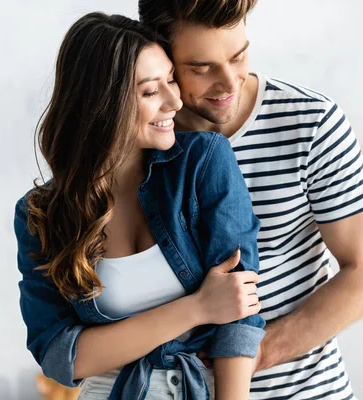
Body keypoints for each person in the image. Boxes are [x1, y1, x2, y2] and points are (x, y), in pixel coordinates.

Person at [138, 0, 363, 398]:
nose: (228, 82)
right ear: (161, 60)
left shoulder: (311, 123)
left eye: (238, 56)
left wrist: (256, 352)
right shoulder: (138, 141)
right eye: (201, 68)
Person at [14, 12, 267, 400]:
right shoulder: (41, 214)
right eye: (151, 92)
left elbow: (240, 311)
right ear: (103, 104)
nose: (174, 101)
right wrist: (196, 309)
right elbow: (61, 356)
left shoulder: (203, 161)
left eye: (170, 80)